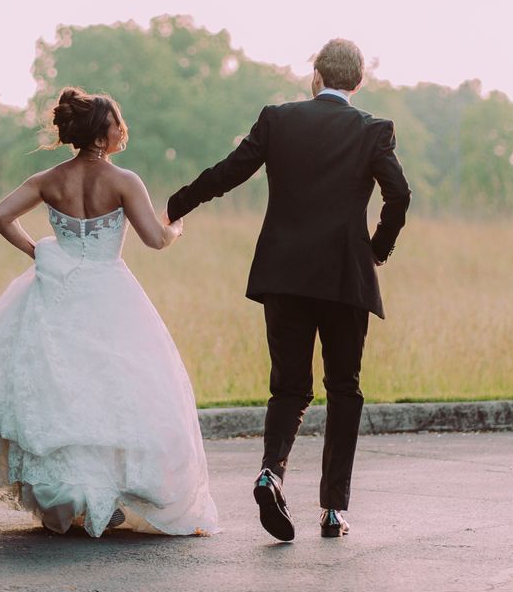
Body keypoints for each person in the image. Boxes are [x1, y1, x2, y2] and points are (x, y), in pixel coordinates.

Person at [165, 38, 411, 541]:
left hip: (284, 275)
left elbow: (230, 173)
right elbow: (399, 195)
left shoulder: (278, 119)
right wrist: (375, 250)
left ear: (315, 75)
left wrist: (176, 205)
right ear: (358, 82)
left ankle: (271, 472)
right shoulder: (374, 130)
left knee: (289, 386)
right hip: (345, 277)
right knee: (343, 389)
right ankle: (333, 512)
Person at [0, 88, 220, 538]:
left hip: (59, 290)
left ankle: (76, 493)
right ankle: (110, 491)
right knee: (117, 385)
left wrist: (38, 251)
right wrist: (175, 229)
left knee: (63, 388)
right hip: (111, 292)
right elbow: (153, 239)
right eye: (117, 122)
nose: (123, 129)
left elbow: (0, 216)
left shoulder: (48, 180)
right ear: (102, 132)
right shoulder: (124, 181)